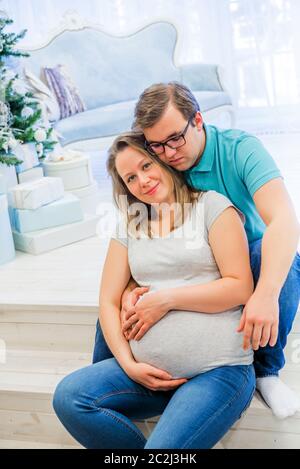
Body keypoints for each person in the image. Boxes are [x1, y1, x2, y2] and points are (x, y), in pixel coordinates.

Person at [93, 82, 300, 420]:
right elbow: (151, 240)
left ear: (198, 120)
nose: (169, 152)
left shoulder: (240, 150)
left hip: (244, 258)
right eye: (157, 146)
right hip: (194, 263)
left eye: (175, 138)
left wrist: (265, 294)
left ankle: (266, 371)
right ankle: (113, 388)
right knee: (115, 311)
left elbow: (285, 221)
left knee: (276, 257)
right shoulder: (160, 163)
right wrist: (132, 288)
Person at [53, 132, 256, 449]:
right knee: (70, 398)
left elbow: (240, 287)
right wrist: (130, 365)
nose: (143, 180)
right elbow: (107, 301)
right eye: (131, 177)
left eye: (146, 165)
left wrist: (166, 300)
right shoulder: (130, 225)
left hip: (218, 371)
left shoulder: (212, 207)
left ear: (163, 159)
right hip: (148, 378)